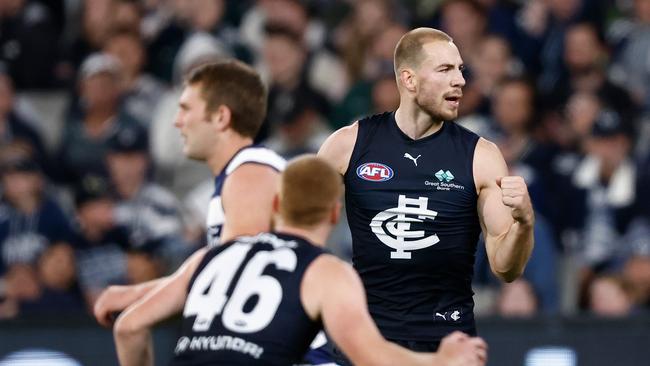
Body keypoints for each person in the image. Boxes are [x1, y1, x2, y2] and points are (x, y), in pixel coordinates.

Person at [112, 155, 488, 366]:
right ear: (333, 213)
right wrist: (441, 361)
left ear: (276, 206)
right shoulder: (325, 272)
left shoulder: (210, 257)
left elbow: (128, 328)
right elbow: (373, 356)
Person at [318, 27, 534, 358]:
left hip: (446, 343)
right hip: (366, 342)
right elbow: (297, 228)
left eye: (460, 69)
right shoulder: (347, 145)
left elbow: (506, 269)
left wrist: (523, 223)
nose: (460, 80)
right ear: (409, 79)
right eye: (445, 69)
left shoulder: (481, 156)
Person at [94, 60, 285, 325]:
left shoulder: (250, 176)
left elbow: (239, 278)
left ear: (221, 117)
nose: (177, 122)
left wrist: (138, 299)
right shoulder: (239, 175)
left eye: (185, 109)